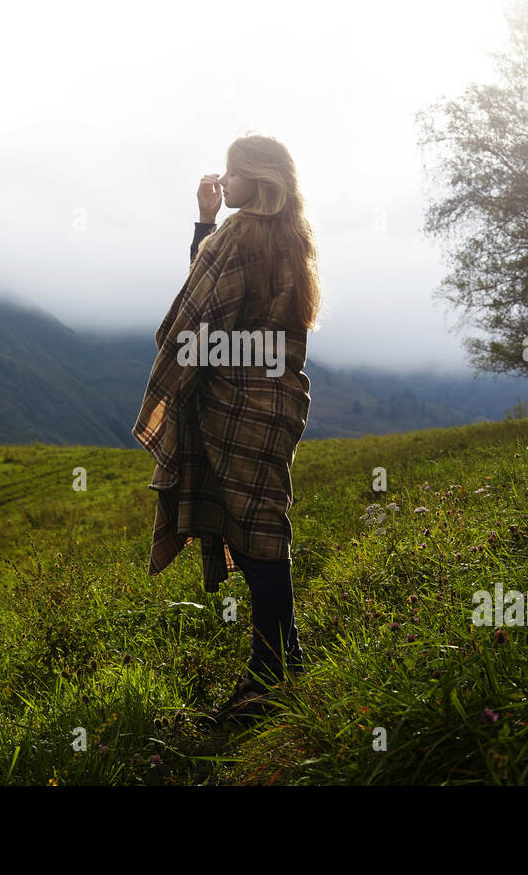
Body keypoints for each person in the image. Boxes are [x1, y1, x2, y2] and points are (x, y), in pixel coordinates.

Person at [132, 133, 321, 725]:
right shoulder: (294, 237)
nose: (223, 178)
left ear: (256, 179)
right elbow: (219, 298)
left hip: (235, 403)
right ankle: (284, 659)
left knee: (255, 535)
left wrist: (209, 225)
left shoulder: (240, 235)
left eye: (232, 173)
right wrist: (206, 219)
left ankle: (267, 677)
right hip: (278, 401)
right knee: (264, 525)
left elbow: (194, 312)